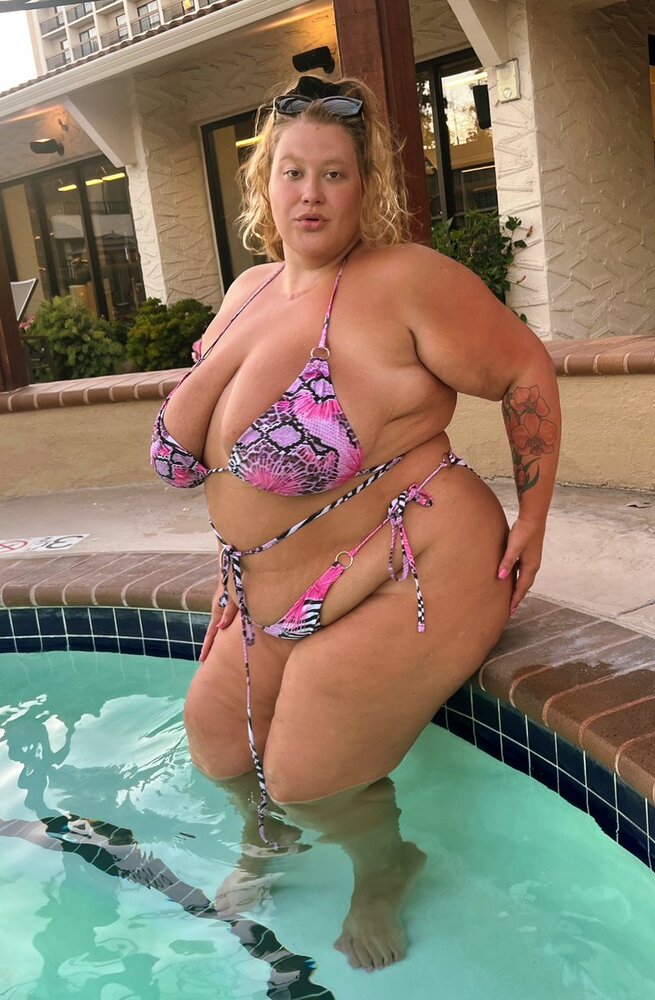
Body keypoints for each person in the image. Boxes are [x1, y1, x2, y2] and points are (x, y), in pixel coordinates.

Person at [150, 73, 560, 972]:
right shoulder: (248, 290)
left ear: (362, 185)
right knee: (218, 743)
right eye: (292, 172)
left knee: (307, 778)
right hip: (276, 584)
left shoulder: (404, 281)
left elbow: (523, 369)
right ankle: (267, 844)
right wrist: (234, 569)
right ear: (264, 182)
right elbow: (215, 465)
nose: (310, 194)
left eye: (333, 174)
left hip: (415, 559)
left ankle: (385, 866)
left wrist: (534, 514)